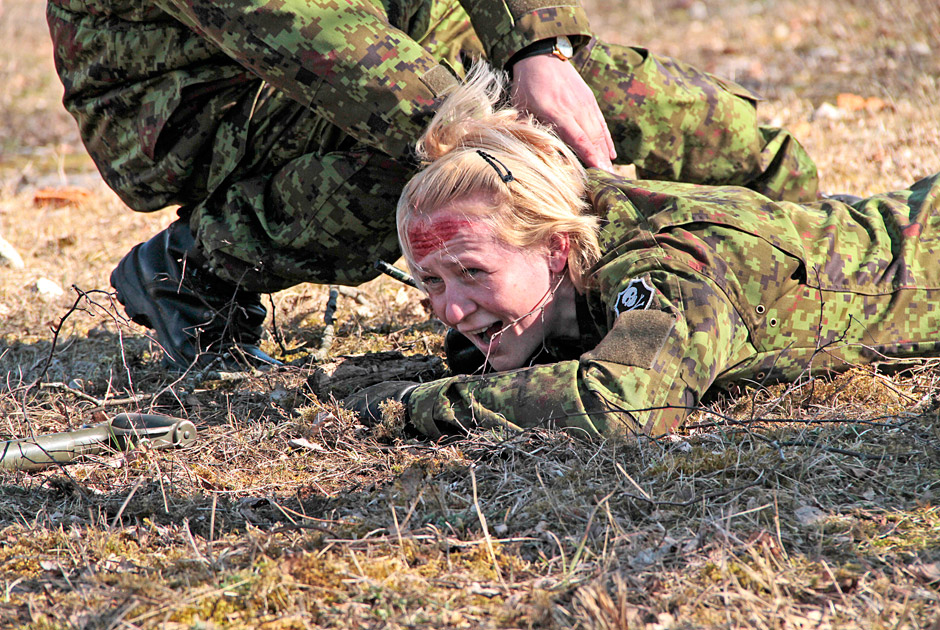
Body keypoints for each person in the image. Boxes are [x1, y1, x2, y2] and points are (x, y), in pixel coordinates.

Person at [47, 0, 818, 370]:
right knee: (425, 171)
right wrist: (510, 169)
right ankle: (195, 266)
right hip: (201, 97)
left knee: (628, 103)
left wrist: (541, 47)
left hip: (387, 18)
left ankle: (797, 253)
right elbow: (308, 36)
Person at [341, 63, 940, 440]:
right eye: (433, 282)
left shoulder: (667, 268)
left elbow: (627, 405)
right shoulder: (568, 224)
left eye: (471, 271)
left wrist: (414, 407)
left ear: (557, 250)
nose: (449, 310)